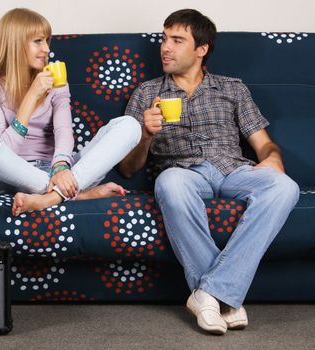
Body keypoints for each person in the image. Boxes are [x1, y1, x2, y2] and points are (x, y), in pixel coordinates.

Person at [119, 9, 299, 335]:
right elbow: (128, 169)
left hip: (233, 170)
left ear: (201, 49)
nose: (165, 47)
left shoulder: (232, 89)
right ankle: (226, 299)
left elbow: (264, 145)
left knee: (285, 187)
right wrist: (145, 135)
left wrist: (274, 160)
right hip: (183, 172)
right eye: (164, 38)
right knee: (169, 183)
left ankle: (209, 294)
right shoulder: (146, 94)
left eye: (177, 40)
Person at [0, 8, 141, 216]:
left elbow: (64, 130)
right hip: (11, 177)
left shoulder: (56, 80)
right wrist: (32, 96)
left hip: (59, 171)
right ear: (15, 43)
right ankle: (77, 194)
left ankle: (50, 198)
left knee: (129, 125)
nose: (47, 49)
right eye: (38, 41)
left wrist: (60, 166)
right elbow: (4, 151)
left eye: (47, 40)